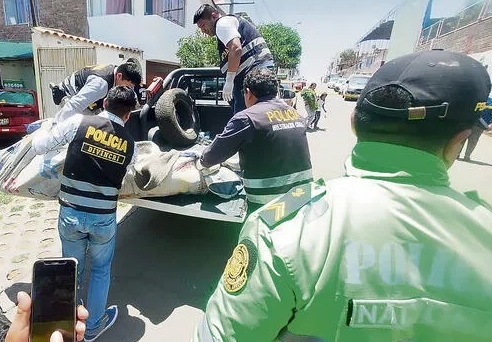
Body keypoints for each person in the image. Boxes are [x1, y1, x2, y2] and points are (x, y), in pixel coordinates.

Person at [193, 50, 492, 341]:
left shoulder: (283, 233)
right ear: (460, 141)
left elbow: (220, 335)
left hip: (269, 198)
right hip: (299, 186)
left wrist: (201, 161)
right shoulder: (292, 111)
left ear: (353, 122)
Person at [32, 86, 138, 341]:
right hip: (103, 218)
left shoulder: (79, 122)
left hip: (71, 214)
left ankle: (69, 326)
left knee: (73, 270)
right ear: (129, 115)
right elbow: (130, 174)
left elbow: (39, 146)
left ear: (103, 102)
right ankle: (92, 329)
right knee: (101, 270)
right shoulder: (130, 143)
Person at [198, 68, 313, 216]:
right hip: (303, 197)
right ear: (276, 90)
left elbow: (210, 158)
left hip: (269, 206)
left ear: (248, 92)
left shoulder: (247, 118)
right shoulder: (295, 113)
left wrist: (201, 159)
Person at [193, 4, 274, 114]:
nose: (203, 30)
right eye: (200, 28)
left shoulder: (222, 23)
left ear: (214, 15)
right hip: (251, 74)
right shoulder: (226, 27)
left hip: (255, 72)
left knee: (247, 117)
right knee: (248, 115)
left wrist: (229, 80)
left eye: (203, 25)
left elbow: (236, 49)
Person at [50, 59, 142, 123]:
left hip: (87, 98)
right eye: (129, 85)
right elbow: (75, 104)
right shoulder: (101, 85)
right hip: (69, 97)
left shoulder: (119, 71)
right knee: (85, 130)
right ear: (119, 76)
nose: (129, 88)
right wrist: (56, 125)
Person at [461, 95, 492, 161]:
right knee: (462, 138)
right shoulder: (475, 98)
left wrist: (490, 125)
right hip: (469, 122)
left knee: (473, 141)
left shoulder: (491, 102)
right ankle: (457, 154)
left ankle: (467, 155)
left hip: (480, 125)